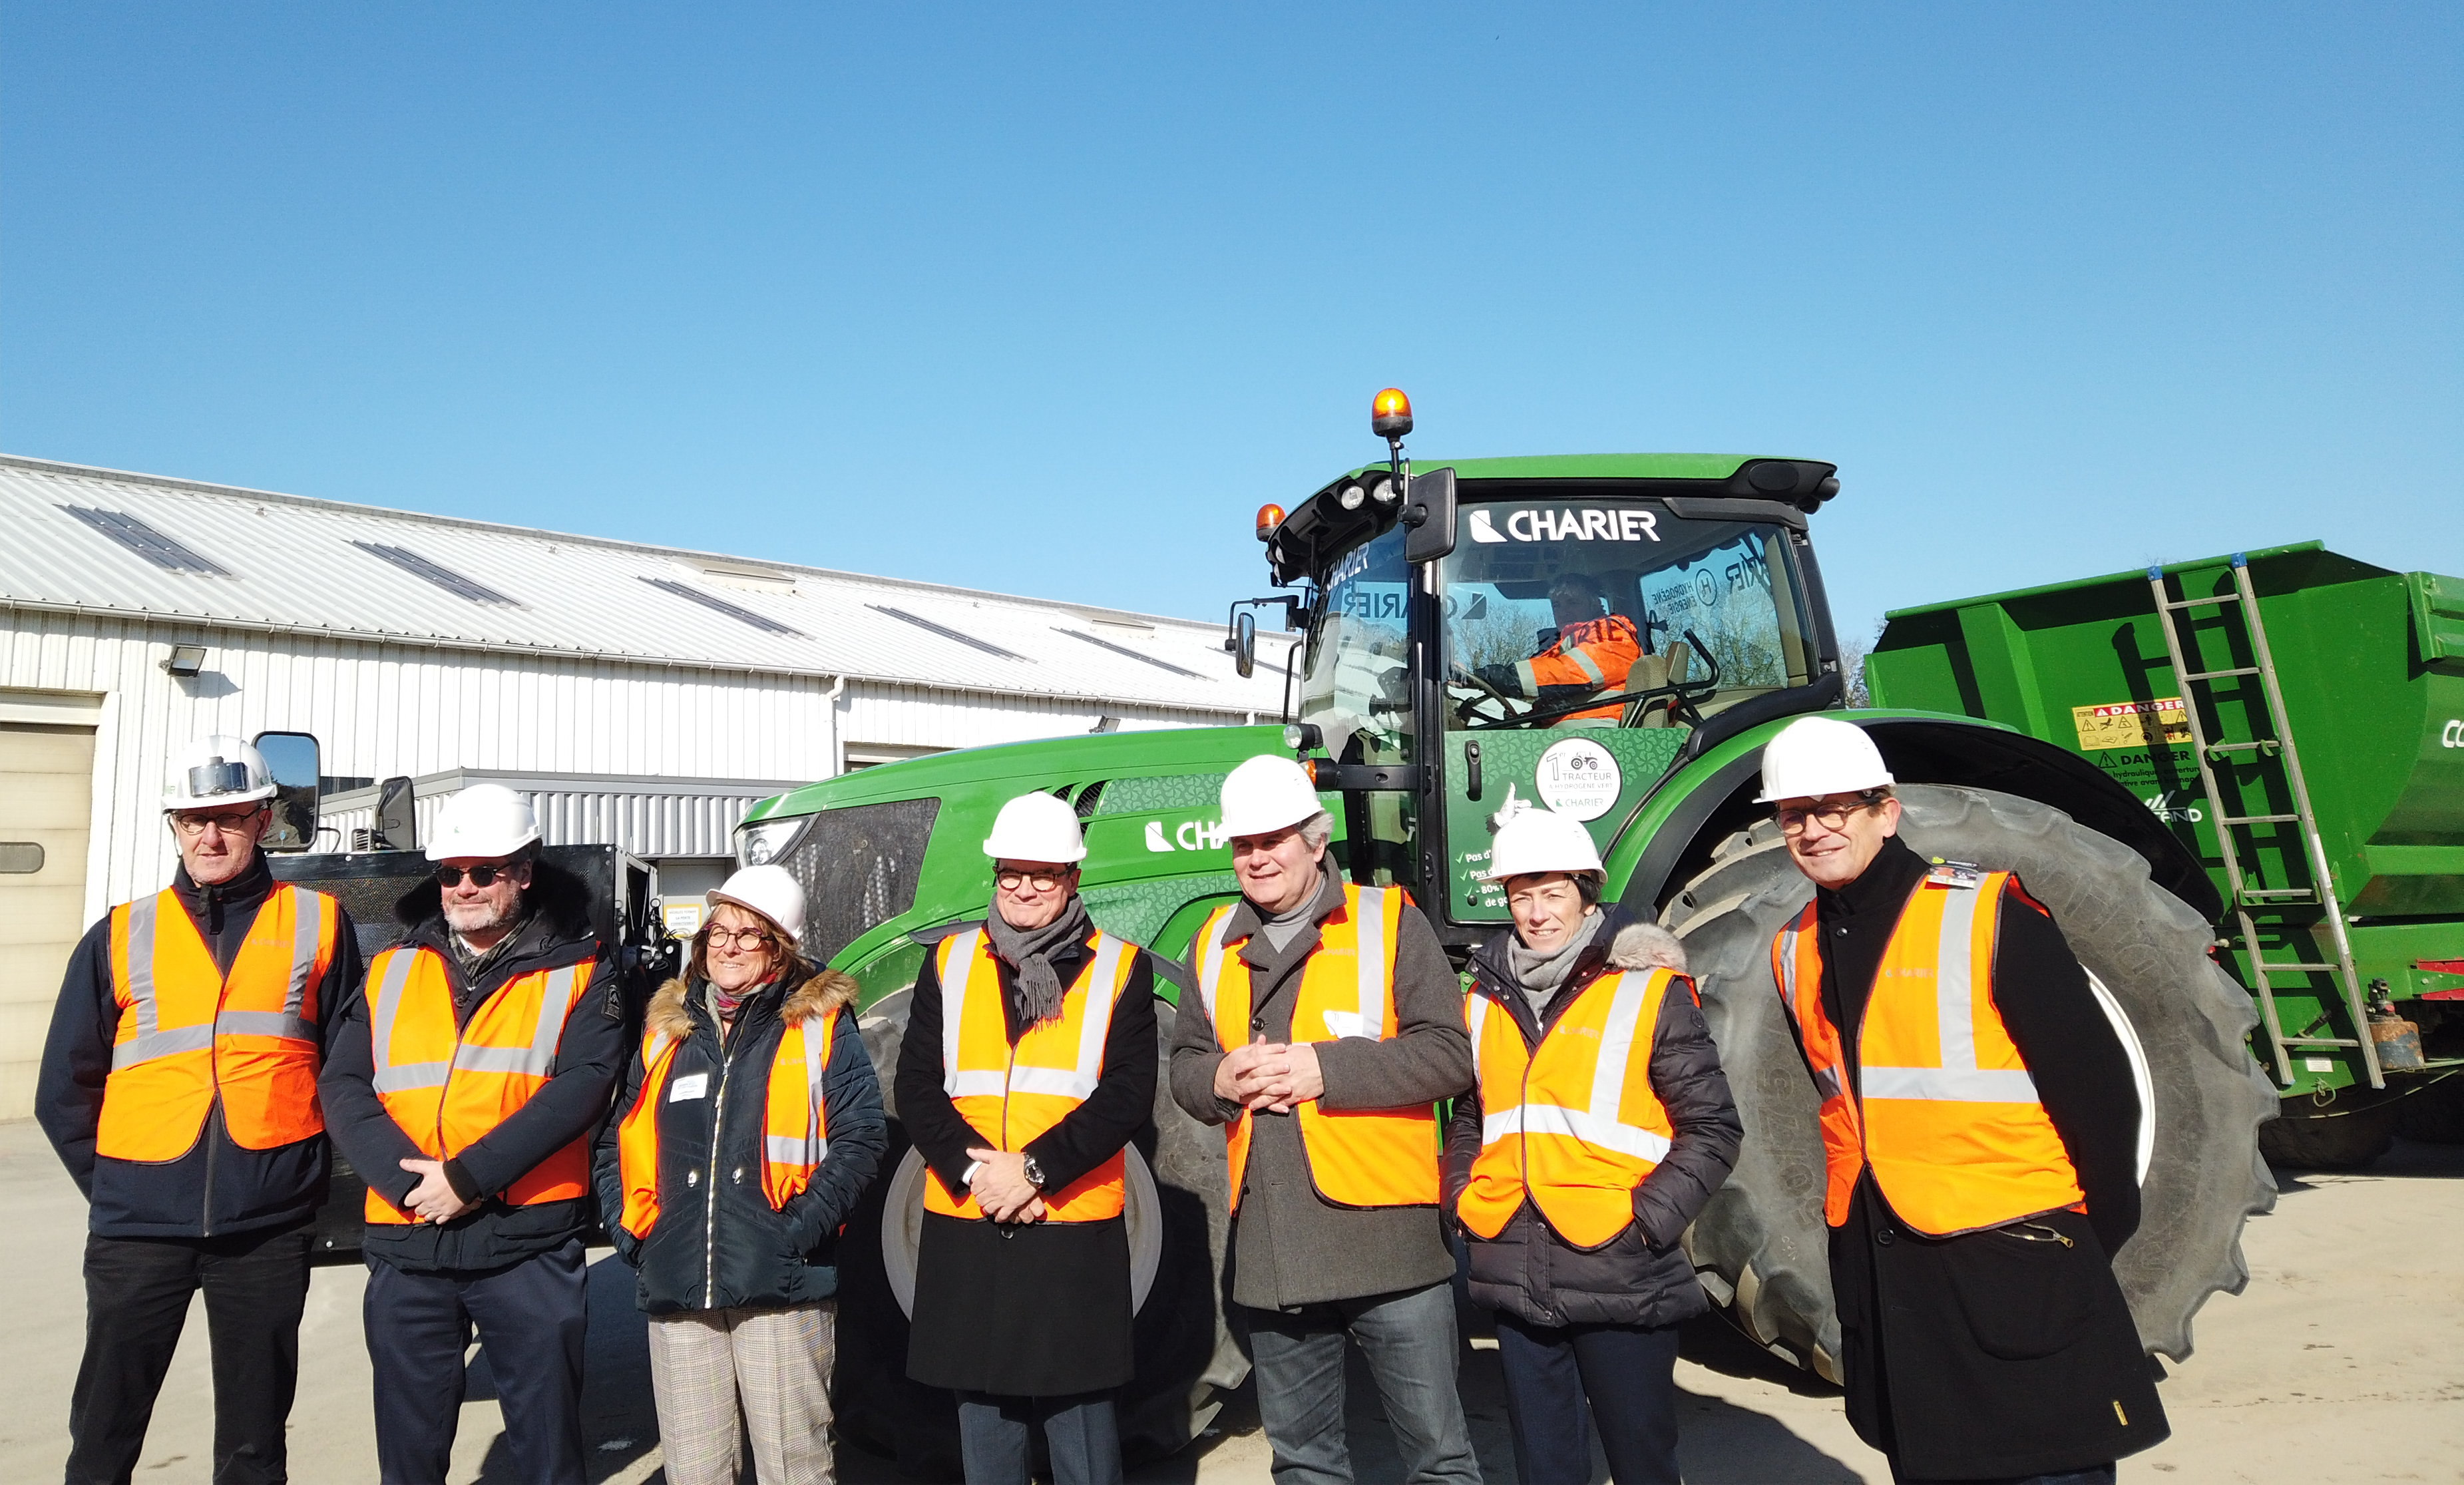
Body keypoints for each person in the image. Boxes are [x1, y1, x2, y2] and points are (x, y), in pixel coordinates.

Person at [1756, 715, 2167, 1484]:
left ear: (1886, 809)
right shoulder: (1794, 947)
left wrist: (2071, 1257)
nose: (1813, 829)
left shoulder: (1986, 913)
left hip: (2017, 1274)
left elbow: (2104, 1103)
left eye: (1834, 807)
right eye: (1793, 814)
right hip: (1895, 1288)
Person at [38, 734, 357, 1485]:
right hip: (138, 1225)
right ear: (174, 825)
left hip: (267, 1225)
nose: (210, 836)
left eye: (231, 817)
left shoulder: (320, 924)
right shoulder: (120, 932)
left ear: (264, 818)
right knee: (105, 1429)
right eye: (192, 819)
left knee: (254, 1441)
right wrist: (124, 1184)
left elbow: (347, 1068)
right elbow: (64, 1087)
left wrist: (296, 1181)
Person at [1169, 754, 1480, 1485]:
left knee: (1439, 1460)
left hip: (1391, 1247)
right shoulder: (1213, 939)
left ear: (1316, 840)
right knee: (1305, 1463)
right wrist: (1218, 1076)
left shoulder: (1388, 920)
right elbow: (1183, 1063)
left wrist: (1326, 1068)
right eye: (1244, 844)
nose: (1257, 857)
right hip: (1275, 1248)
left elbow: (1450, 1056)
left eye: (1273, 839)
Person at [319, 783, 627, 1485]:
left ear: (523, 869)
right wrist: (408, 1184)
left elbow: (582, 1087)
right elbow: (341, 1083)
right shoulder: (392, 966)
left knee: (548, 1450)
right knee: (407, 1451)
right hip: (407, 1241)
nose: (463, 886)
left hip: (525, 1243)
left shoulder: (583, 966)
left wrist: (466, 1178)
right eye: (451, 871)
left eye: (483, 870)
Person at [1445, 807, 1741, 1485]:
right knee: (1545, 1470)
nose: (1536, 912)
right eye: (1521, 894)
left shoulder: (1648, 990)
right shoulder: (1485, 997)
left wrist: (1647, 1221)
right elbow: (1472, 1114)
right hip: (1515, 1265)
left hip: (1619, 1267)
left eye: (1552, 893)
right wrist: (1463, 1196)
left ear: (1587, 893)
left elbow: (1714, 1125)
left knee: (1642, 1463)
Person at [895, 791, 1159, 1485]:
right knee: (986, 1442)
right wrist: (978, 1174)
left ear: (1073, 879)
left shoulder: (1121, 968)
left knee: (1084, 1448)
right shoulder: (949, 962)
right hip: (970, 1230)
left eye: (1043, 874)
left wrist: (1034, 1171)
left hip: (1067, 1234)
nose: (1024, 887)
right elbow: (917, 1088)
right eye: (1011, 872)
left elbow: (1126, 1096)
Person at [594, 864, 885, 1485]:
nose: (727, 946)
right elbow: (617, 1140)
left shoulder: (819, 1026)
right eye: (717, 932)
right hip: (678, 1283)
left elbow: (861, 1138)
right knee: (697, 1472)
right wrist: (637, 1235)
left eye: (749, 934)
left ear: (780, 948)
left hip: (780, 1287)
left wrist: (793, 1234)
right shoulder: (667, 1030)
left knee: (794, 1468)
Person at [1466, 572, 1642, 724]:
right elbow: (1544, 675)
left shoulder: (1612, 633)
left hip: (1598, 728)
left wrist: (1505, 677)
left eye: (1572, 602)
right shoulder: (1559, 645)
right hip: (1564, 728)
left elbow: (1575, 672)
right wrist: (1469, 680)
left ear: (1595, 604)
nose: (1563, 611)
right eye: (1557, 605)